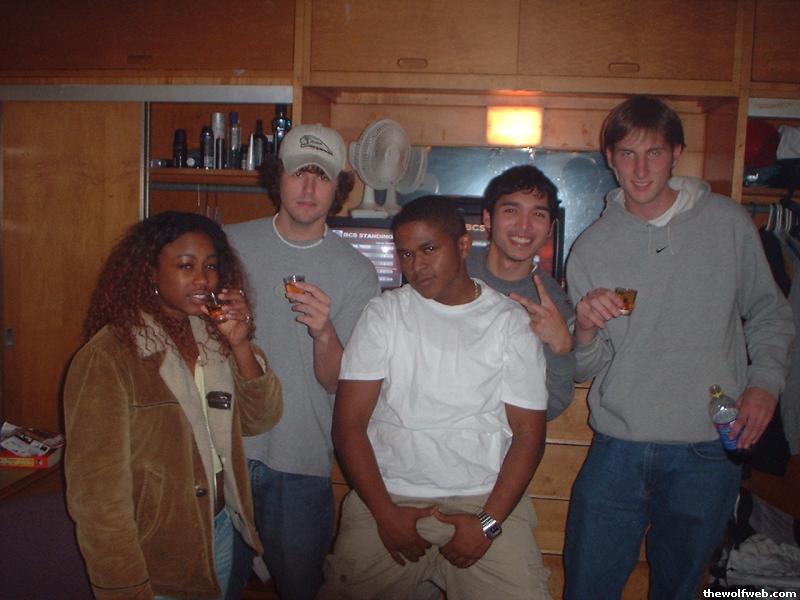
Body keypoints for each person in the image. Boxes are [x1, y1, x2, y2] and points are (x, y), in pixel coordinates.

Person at [563, 95, 794, 600]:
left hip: (706, 450)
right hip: (618, 449)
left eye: (654, 153)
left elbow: (770, 313)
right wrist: (583, 330)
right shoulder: (591, 247)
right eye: (628, 154)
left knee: (680, 590)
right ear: (610, 158)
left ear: (676, 154)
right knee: (586, 588)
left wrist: (764, 385)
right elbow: (586, 367)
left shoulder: (727, 223)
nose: (641, 169)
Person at [318, 196, 552, 600]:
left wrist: (488, 523)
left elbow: (529, 435)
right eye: (406, 254)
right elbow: (349, 426)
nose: (417, 266)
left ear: (463, 245)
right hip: (389, 492)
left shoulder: (508, 322)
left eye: (429, 249)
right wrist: (385, 514)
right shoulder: (384, 314)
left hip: (482, 495)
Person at [63, 211, 283, 599]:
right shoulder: (109, 357)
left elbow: (260, 419)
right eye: (186, 266)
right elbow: (97, 498)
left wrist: (240, 344)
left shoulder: (215, 340)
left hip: (220, 529)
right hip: (155, 550)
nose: (203, 279)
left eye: (210, 266)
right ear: (150, 272)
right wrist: (124, 586)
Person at [225, 123, 380, 599]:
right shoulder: (225, 245)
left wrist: (324, 331)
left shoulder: (356, 271)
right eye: (298, 173)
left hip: (301, 460)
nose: (309, 188)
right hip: (222, 455)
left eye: (322, 176)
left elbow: (336, 382)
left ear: (338, 189)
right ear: (279, 177)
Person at [467, 164, 575, 420]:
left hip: (502, 437)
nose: (524, 226)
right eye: (511, 210)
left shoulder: (552, 304)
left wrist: (561, 349)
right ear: (487, 219)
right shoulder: (452, 275)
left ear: (550, 228)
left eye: (537, 214)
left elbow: (552, 405)